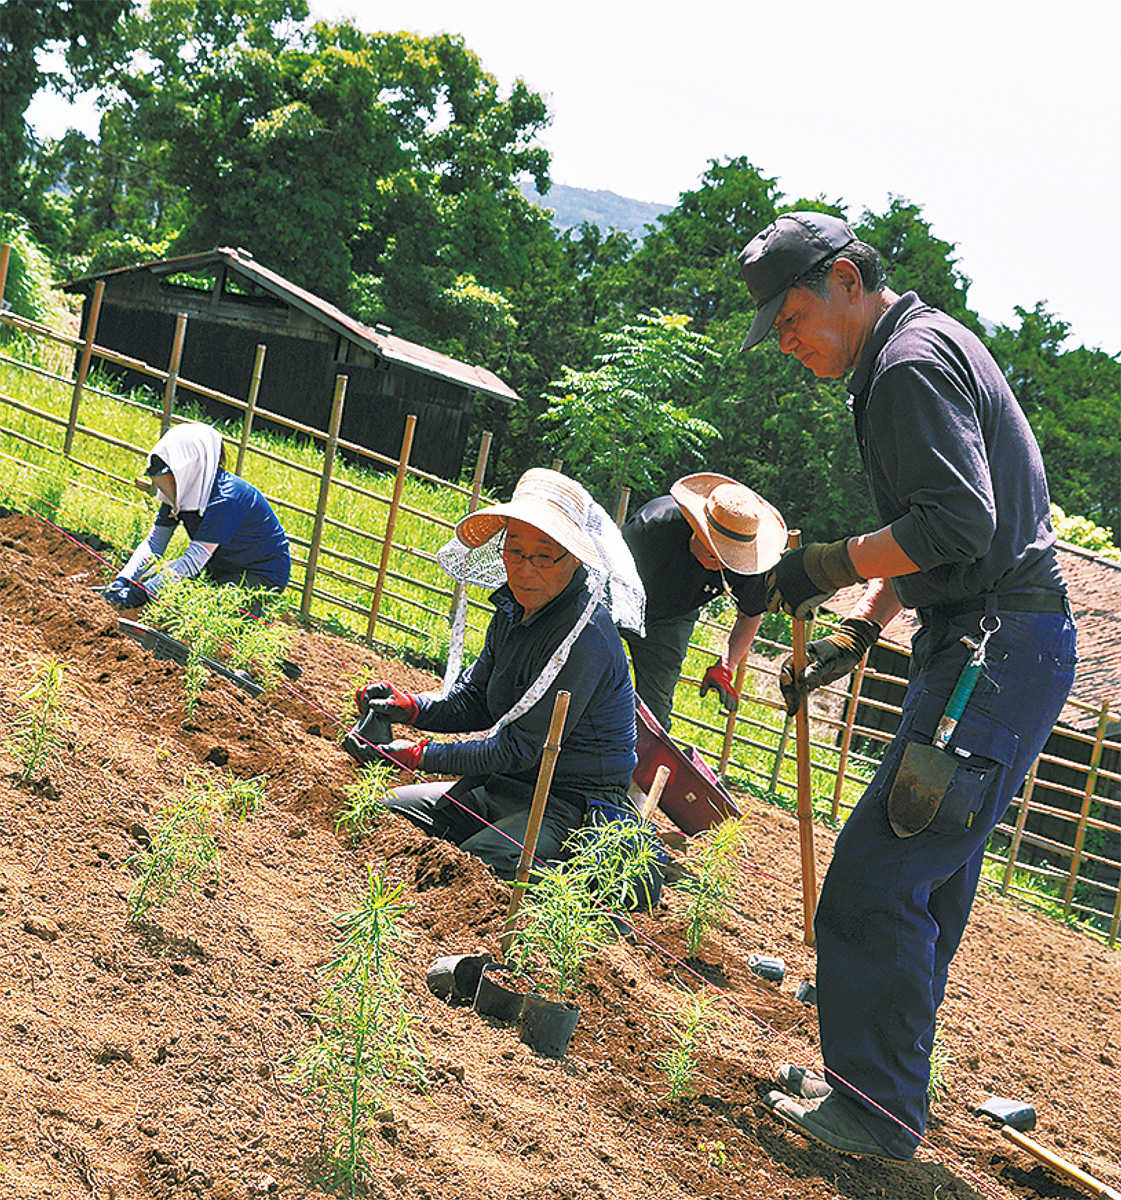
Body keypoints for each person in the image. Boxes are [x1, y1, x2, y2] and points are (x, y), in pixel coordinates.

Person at [737, 212, 1077, 1163]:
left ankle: (875, 1112)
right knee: (924, 882)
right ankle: (872, 1093)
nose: (789, 342)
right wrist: (862, 628)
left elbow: (956, 524)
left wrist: (815, 568)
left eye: (795, 315)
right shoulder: (919, 347)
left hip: (989, 649)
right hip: (995, 646)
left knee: (879, 875)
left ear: (847, 280)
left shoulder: (907, 368)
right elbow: (945, 529)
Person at [342, 467, 646, 885]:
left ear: (574, 558)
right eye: (515, 552)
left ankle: (577, 883)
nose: (524, 570)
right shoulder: (512, 612)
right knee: (389, 809)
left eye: (542, 556)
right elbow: (475, 700)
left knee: (481, 865)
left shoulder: (586, 637)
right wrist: (411, 707)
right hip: (505, 784)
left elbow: (520, 748)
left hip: (568, 802)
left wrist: (420, 756)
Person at [620, 473, 786, 729]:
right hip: (621, 601)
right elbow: (609, 577)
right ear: (697, 527)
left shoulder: (750, 561)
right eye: (715, 551)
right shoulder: (653, 526)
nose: (722, 563)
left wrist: (726, 667)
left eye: (730, 557)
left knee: (655, 714)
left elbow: (750, 614)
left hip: (672, 618)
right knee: (588, 676)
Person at [104, 422, 291, 609]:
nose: (165, 486)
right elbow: (155, 543)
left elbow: (193, 560)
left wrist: (141, 594)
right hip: (220, 565)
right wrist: (124, 578)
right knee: (165, 590)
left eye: (169, 477)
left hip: (260, 573)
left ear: (190, 470)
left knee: (210, 613)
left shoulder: (227, 499)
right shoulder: (180, 492)